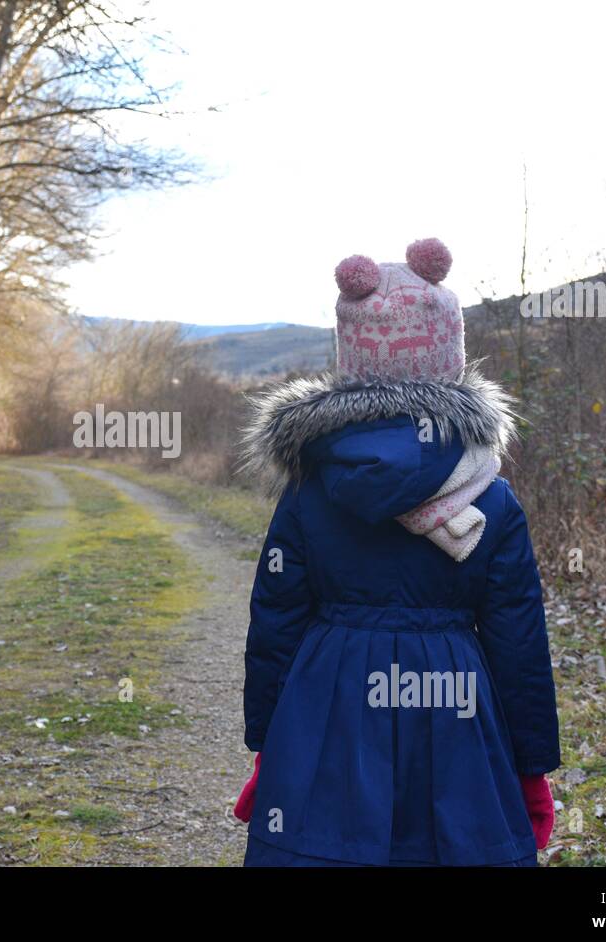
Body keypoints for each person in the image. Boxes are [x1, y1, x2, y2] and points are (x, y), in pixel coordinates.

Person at [233, 238, 560, 866]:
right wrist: (530, 764)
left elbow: (276, 620)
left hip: (328, 695)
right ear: (452, 359)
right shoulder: (490, 497)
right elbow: (518, 640)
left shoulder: (309, 488)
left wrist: (270, 739)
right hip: (454, 701)